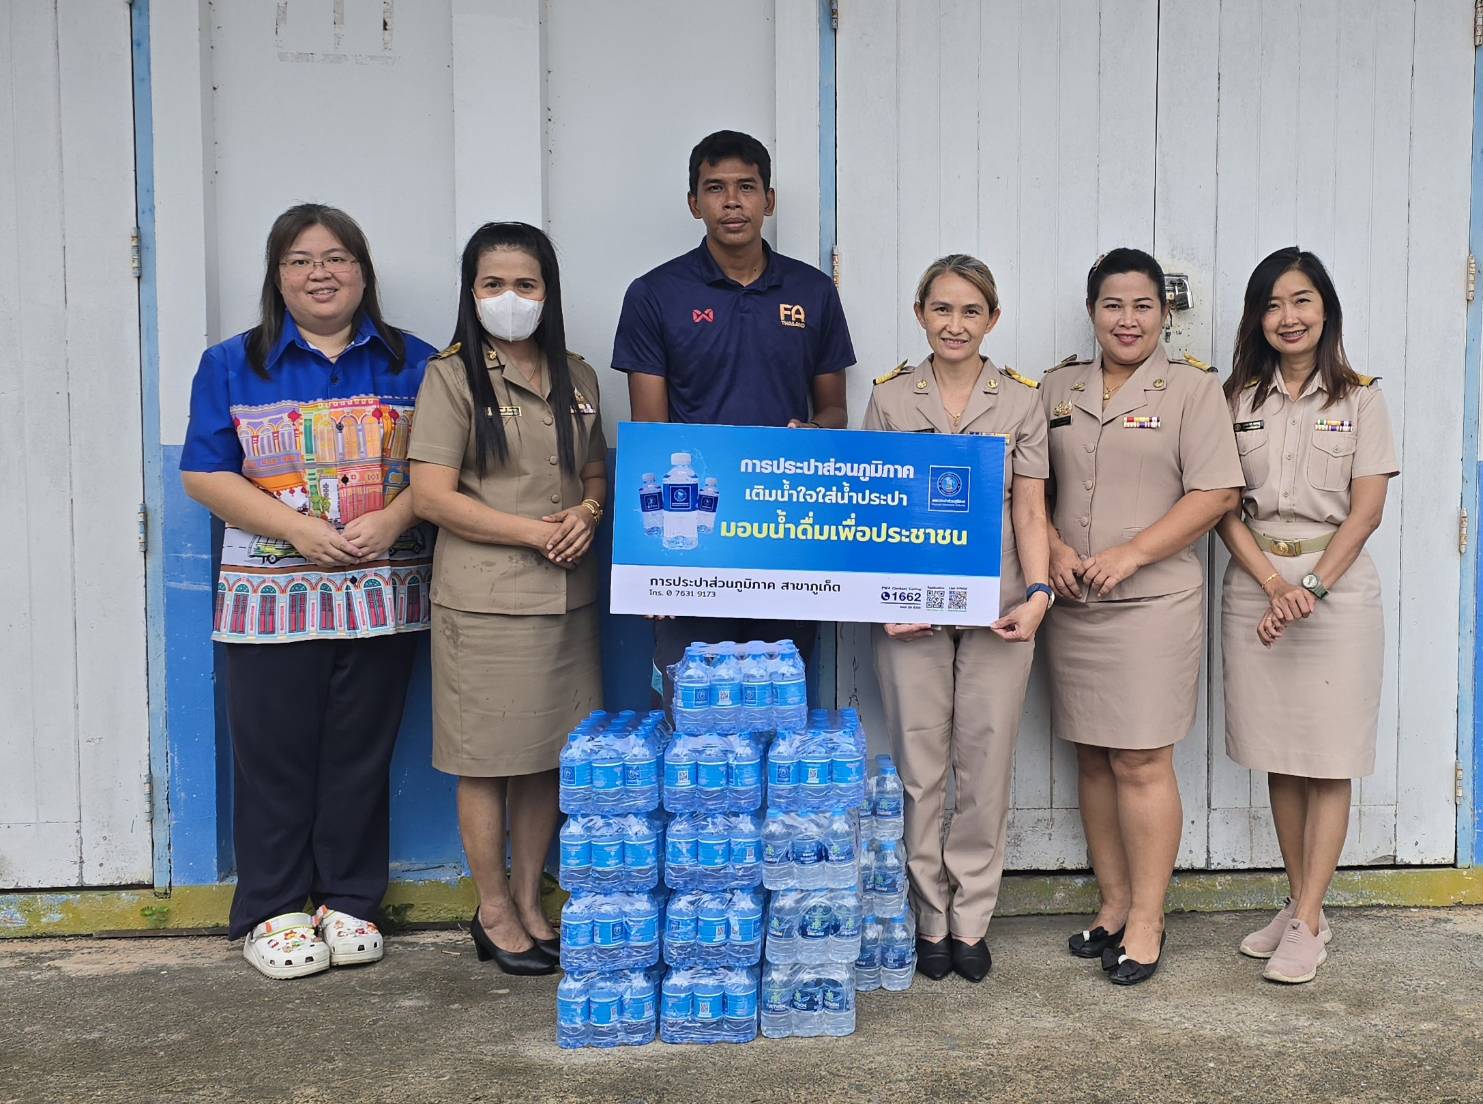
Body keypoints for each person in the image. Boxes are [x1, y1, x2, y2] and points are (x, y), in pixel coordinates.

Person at [180, 203, 436, 980]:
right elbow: (205, 472)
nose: (319, 273)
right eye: (299, 260)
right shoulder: (232, 363)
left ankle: (350, 899)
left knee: (361, 755)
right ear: (277, 276)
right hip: (269, 601)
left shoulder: (417, 361)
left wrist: (393, 519)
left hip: (382, 594)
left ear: (363, 271)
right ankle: (274, 908)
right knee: (274, 757)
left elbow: (441, 471)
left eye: (336, 257)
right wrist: (295, 531)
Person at [1040, 248, 1243, 985]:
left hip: (1152, 603)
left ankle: (1150, 918)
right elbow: (1030, 481)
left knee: (1139, 758)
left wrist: (1129, 554)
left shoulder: (1192, 389)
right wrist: (1055, 547)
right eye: (1112, 305)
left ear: (1163, 313)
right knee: (1092, 754)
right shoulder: (1057, 385)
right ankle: (1113, 903)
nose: (1127, 320)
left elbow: (1214, 493)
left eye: (1142, 306)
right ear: (1091, 311)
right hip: (1074, 600)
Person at [410, 222, 607, 976]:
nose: (510, 299)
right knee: (487, 761)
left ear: (547, 291)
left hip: (565, 599)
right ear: (471, 292)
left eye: (525, 284)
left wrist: (587, 515)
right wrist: (532, 533)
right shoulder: (453, 378)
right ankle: (491, 909)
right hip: (487, 602)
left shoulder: (579, 377)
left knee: (546, 762)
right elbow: (430, 496)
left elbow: (593, 477)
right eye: (493, 285)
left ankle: (530, 899)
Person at [611, 129, 855, 699]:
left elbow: (835, 409)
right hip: (692, 538)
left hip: (784, 533)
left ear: (769, 199)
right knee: (696, 716)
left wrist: (814, 432)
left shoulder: (813, 291)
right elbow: (650, 433)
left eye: (746, 187)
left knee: (780, 709)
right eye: (714, 188)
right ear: (694, 203)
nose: (731, 201)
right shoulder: (654, 294)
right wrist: (654, 572)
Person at [862, 255, 1052, 983]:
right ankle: (927, 920)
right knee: (920, 767)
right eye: (941, 309)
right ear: (919, 314)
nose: (954, 324)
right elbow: (869, 504)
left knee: (984, 763)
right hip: (910, 611)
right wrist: (882, 600)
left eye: (970, 312)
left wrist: (1037, 594)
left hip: (998, 606)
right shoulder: (888, 397)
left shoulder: (1019, 400)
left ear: (992, 320)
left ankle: (971, 920)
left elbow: (1029, 506)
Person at [1215, 247, 1398, 984]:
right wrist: (1270, 582)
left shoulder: (1359, 397)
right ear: (1256, 317)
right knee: (1279, 754)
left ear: (1325, 309)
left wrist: (1310, 588)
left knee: (1327, 757)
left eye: (1300, 301)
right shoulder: (1235, 397)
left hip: (1336, 590)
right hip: (1255, 584)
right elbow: (1221, 504)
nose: (1286, 318)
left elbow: (1366, 510)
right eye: (1272, 304)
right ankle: (1299, 905)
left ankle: (1311, 920)